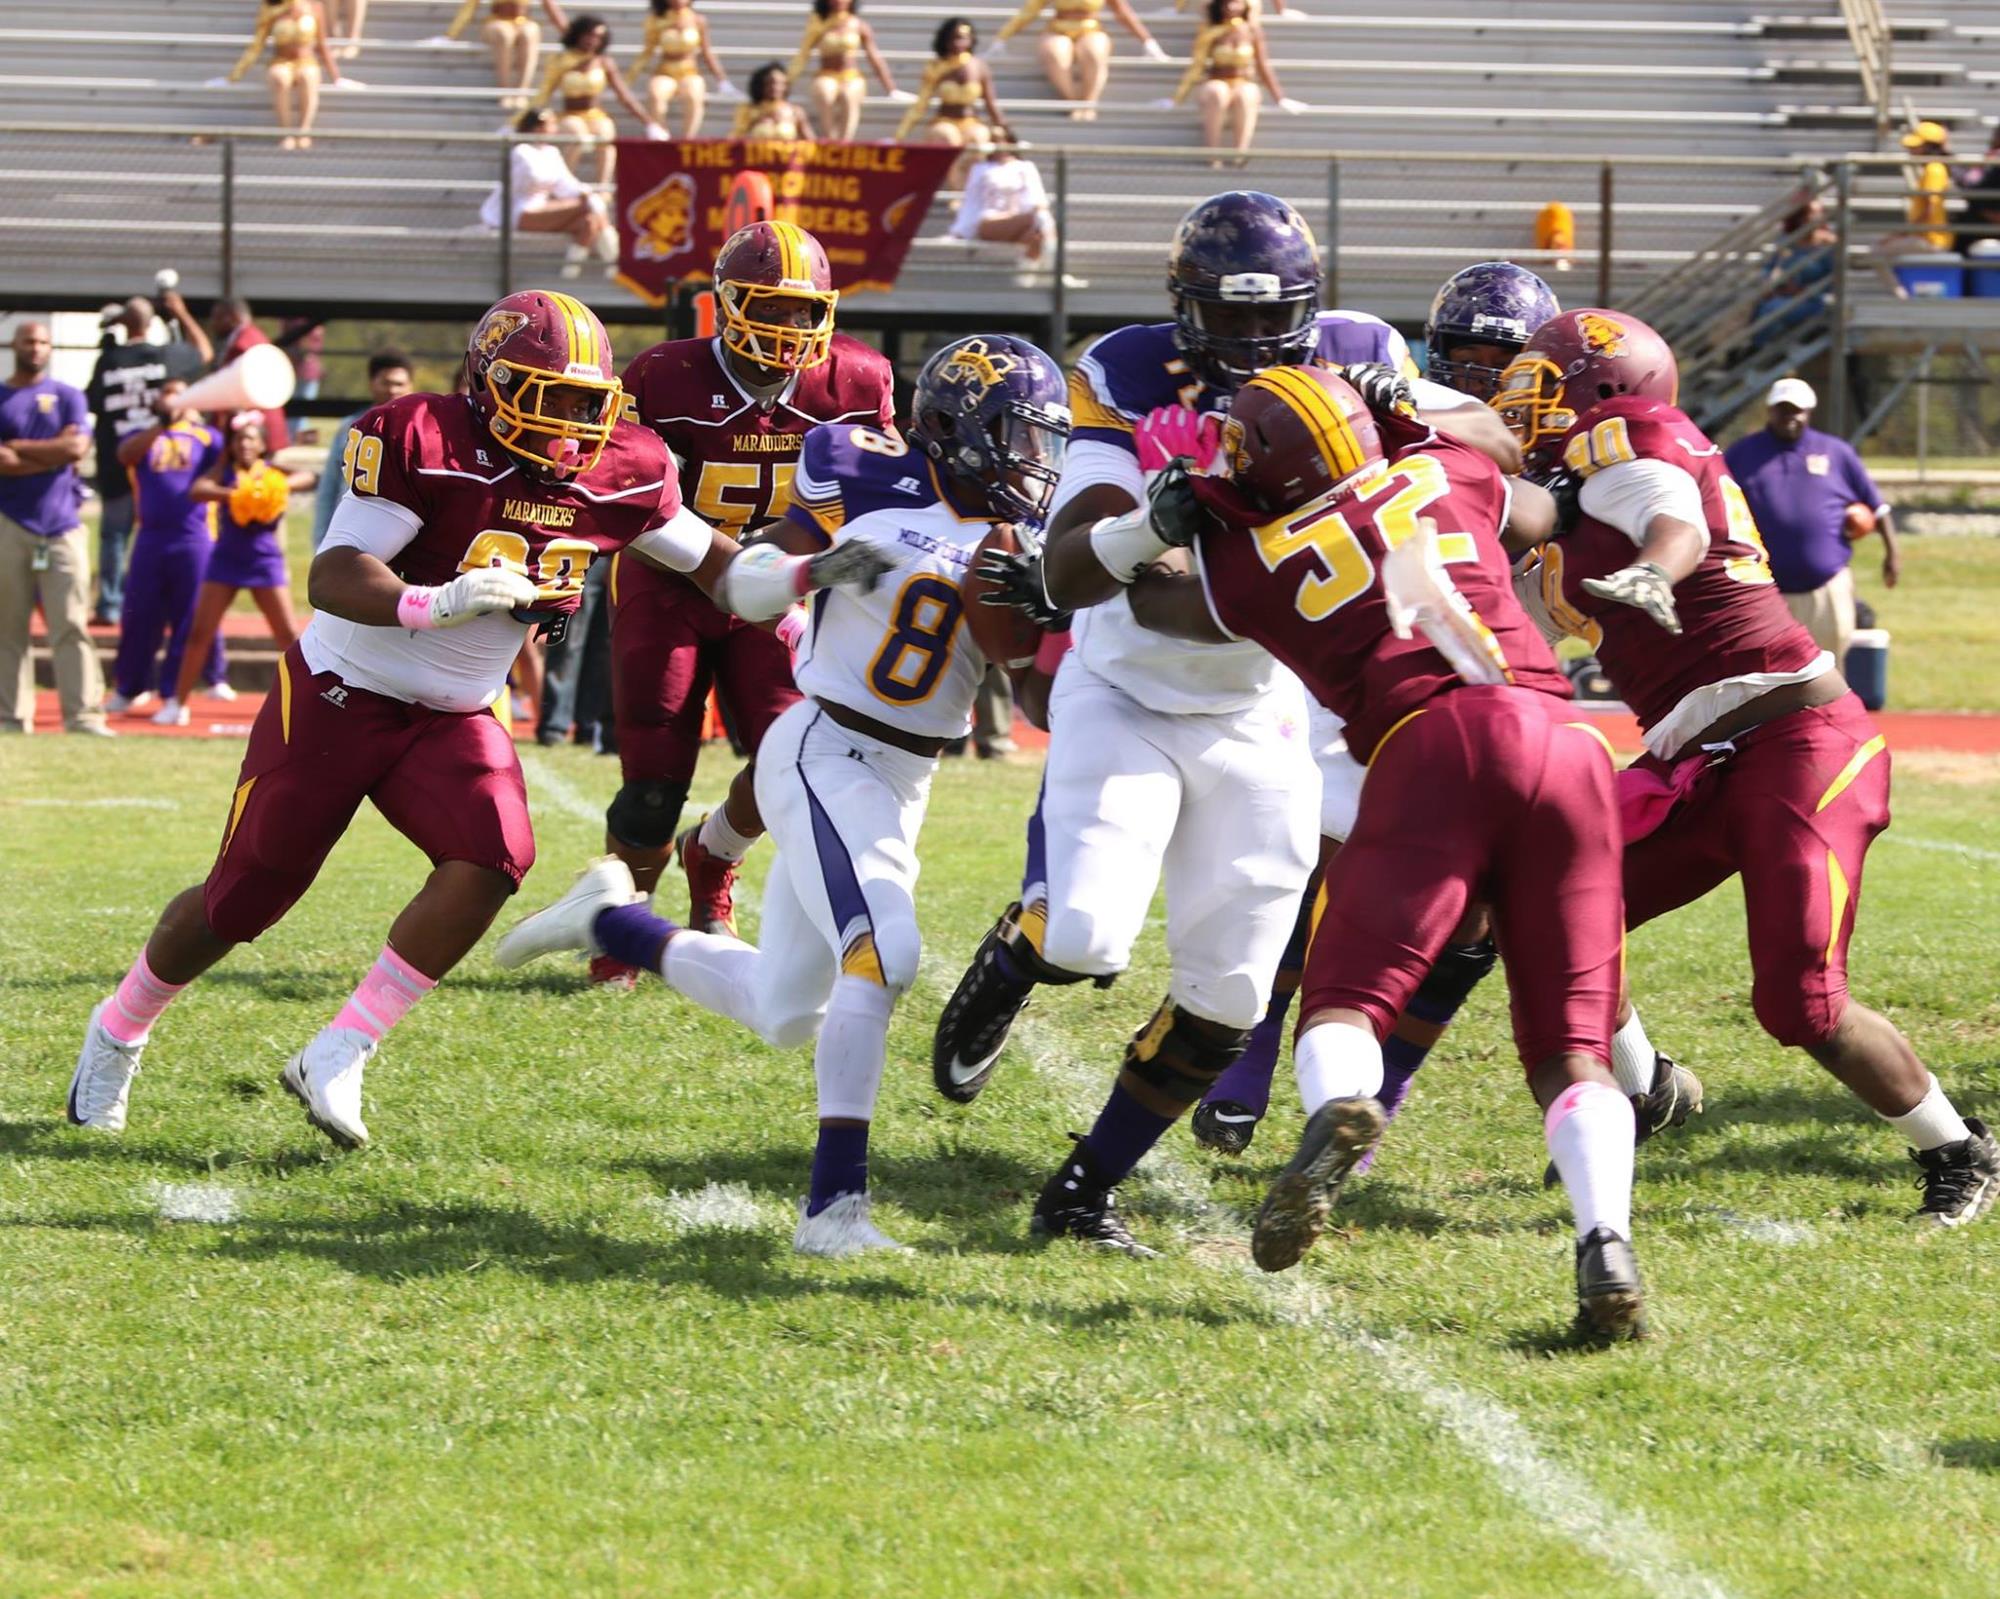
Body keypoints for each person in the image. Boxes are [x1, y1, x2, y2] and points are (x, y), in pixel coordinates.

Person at [66, 289, 896, 1149]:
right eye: (548, 396)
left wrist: (799, 596)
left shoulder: (625, 465)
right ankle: (121, 1025)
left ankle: (341, 1049)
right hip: (344, 689)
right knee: (248, 895)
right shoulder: (421, 437)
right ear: (488, 383)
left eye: (586, 402)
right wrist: (434, 600)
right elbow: (336, 573)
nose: (571, 423)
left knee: (495, 856)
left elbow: (719, 568)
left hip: (457, 711)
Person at [930, 195, 1525, 1211]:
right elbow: (1077, 566)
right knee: (1084, 937)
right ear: (1182, 306)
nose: (1252, 342)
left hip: (1266, 704)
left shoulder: (1357, 349)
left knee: (1233, 993)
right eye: (1229, 318)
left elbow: (1497, 450)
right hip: (1126, 689)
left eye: (1270, 319)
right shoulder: (1121, 368)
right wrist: (1149, 530)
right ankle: (1015, 953)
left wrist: (1409, 402)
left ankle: (1080, 1193)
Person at [496, 334, 1073, 1260]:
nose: (1032, 460)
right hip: (823, 747)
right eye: (1015, 436)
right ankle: (832, 1212)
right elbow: (748, 586)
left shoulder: (1023, 536)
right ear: (959, 431)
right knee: (884, 955)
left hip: (903, 775)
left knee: (784, 1007)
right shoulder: (864, 471)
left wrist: (1036, 599)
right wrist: (816, 571)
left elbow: (1024, 674)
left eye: (1041, 440)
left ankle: (612, 922)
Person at [1113, 368, 1641, 1339]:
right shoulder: (1445, 465)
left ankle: (1342, 1106)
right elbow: (1526, 501)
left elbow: (1157, 607)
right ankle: (1603, 1240)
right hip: (1567, 742)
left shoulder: (1246, 559)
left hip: (1433, 743)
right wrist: (1418, 412)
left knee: (1343, 996)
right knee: (1571, 1046)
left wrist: (1158, 527)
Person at [1498, 308, 1999, 1228]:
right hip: (1694, 759)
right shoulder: (1567, 493)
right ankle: (1646, 1094)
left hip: (1795, 744)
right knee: (1551, 910)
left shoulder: (1634, 443)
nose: (1525, 405)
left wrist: (1655, 568)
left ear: (1604, 390)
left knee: (1800, 1002)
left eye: (1544, 384)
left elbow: (1670, 514)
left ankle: (1959, 1148)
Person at [598, 220, 895, 976]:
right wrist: (732, 567)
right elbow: (627, 496)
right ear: (727, 304)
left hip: (781, 590)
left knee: (787, 757)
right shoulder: (663, 376)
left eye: (804, 312)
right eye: (769, 306)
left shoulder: (857, 381)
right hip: (670, 580)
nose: (789, 328)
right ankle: (627, 925)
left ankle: (713, 859)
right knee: (652, 781)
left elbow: (879, 494)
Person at [154, 415, 317, 726]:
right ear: (231, 444)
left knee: (287, 635)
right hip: (225, 560)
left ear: (263, 444)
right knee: (199, 632)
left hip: (264, 561)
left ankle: (311, 703)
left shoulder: (270, 472)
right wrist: (235, 494)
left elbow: (307, 478)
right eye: (239, 438)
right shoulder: (225, 471)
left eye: (251, 438)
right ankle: (177, 703)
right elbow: (198, 490)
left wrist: (270, 487)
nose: (244, 444)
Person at [1723, 378, 1896, 666]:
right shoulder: (1742, 454)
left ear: (1809, 412)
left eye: (1796, 411)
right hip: (1764, 586)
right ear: (1770, 411)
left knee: (1828, 667)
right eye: (1783, 410)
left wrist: (1893, 554)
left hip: (1825, 585)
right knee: (1766, 670)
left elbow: (1877, 508)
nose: (1790, 417)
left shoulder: (1836, 452)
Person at [0, 322, 110, 737]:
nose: (37, 348)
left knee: (71, 623)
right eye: (29, 340)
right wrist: (53, 454)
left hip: (62, 526)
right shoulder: (1, 395)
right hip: (8, 522)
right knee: (8, 626)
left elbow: (76, 448)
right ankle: (11, 716)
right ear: (15, 344)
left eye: (44, 341)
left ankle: (82, 715)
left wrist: (20, 449)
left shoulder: (68, 396)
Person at [86, 285, 211, 623]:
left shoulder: (108, 360)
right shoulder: (166, 357)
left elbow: (93, 402)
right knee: (152, 534)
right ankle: (148, 604)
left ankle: (110, 606)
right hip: (159, 463)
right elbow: (204, 353)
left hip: (116, 458)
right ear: (151, 322)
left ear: (125, 324)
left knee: (114, 534)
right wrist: (180, 312)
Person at [106, 380, 229, 714]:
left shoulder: (208, 437)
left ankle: (174, 693)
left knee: (187, 617)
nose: (173, 398)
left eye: (180, 392)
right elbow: (125, 456)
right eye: (167, 392)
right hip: (150, 538)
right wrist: (162, 425)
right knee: (139, 614)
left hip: (194, 538)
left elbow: (230, 463)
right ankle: (129, 687)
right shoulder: (144, 435)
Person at [480, 107, 618, 280]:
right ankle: (616, 263)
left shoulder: (551, 153)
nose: (555, 128)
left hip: (540, 207)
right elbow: (535, 177)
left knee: (589, 221)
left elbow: (566, 184)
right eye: (551, 124)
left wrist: (587, 193)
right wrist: (588, 198)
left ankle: (571, 274)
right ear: (538, 128)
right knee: (587, 206)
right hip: (519, 211)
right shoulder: (521, 151)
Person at [530, 14, 661, 186]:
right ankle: (562, 185)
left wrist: (649, 123)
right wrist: (520, 120)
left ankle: (603, 188)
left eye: (598, 37)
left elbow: (624, 96)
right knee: (578, 136)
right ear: (578, 34)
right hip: (570, 115)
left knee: (606, 136)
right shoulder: (562, 60)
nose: (592, 40)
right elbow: (544, 93)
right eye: (588, 35)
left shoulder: (604, 62)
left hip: (595, 114)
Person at [991, 0, 1164, 123]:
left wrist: (1147, 41)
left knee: (1094, 52)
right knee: (1054, 52)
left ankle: (1089, 104)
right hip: (1058, 28)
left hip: (1090, 29)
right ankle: (1074, 102)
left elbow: (1123, 12)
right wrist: (1002, 37)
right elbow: (1029, 11)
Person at [1168, 0, 1299, 160]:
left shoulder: (1252, 31)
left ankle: (1240, 154)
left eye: (1236, 2)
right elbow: (1197, 67)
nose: (1231, 7)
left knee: (1246, 95)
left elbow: (1263, 66)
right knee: (1217, 92)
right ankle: (1212, 153)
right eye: (1226, 3)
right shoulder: (1210, 30)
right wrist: (1176, 99)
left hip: (1242, 81)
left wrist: (1280, 98)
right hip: (1216, 79)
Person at [314, 347, 413, 548]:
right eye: (386, 383)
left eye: (399, 384)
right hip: (351, 533)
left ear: (411, 386)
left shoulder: (421, 432)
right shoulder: (351, 428)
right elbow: (329, 487)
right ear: (371, 384)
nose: (393, 390)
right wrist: (321, 541)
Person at [225, 0, 342, 151]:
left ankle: (304, 131)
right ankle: (285, 133)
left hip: (306, 61)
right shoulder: (271, 8)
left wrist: (336, 77)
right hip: (281, 60)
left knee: (308, 76)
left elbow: (321, 44)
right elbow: (257, 44)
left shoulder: (314, 7)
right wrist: (235, 75)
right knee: (279, 78)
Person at [788, 0, 899, 142]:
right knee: (824, 92)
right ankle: (830, 138)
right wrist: (788, 81)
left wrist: (890, 88)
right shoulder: (819, 23)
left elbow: (874, 57)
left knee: (848, 96)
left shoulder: (858, 24)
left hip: (851, 76)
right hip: (826, 74)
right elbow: (803, 55)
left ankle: (845, 142)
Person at [895, 20, 1010, 155]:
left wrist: (1007, 132)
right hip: (944, 121)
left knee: (977, 139)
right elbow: (921, 105)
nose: (957, 43)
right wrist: (899, 135)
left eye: (962, 38)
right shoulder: (936, 67)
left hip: (971, 122)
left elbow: (991, 104)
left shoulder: (979, 66)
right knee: (947, 138)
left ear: (971, 39)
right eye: (953, 38)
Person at [947, 143, 1055, 266]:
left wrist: (1037, 211)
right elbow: (972, 199)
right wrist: (961, 229)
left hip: (1017, 220)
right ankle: (1056, 271)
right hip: (989, 220)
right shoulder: (981, 168)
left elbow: (1037, 199)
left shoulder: (1025, 168)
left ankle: (1029, 277)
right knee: (1038, 219)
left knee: (1035, 236)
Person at [634, 0, 729, 137]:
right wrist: (630, 77)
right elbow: (647, 51)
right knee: (656, 94)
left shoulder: (698, 20)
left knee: (693, 94)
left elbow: (706, 52)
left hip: (689, 71)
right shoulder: (657, 20)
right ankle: (662, 137)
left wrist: (722, 81)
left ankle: (688, 139)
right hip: (665, 70)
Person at [206, 298, 289, 451]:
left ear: (234, 317)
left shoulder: (242, 345)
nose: (213, 323)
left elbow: (231, 392)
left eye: (217, 318)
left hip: (257, 429)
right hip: (265, 426)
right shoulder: (254, 336)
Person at [446, 0, 564, 106]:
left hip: (523, 21)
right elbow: (470, 6)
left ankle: (521, 92)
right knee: (504, 34)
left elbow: (551, 7)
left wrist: (570, 34)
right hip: (497, 21)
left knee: (530, 33)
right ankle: (504, 90)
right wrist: (451, 34)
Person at [1902, 120, 1955, 251]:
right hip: (1925, 237)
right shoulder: (1932, 168)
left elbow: (1930, 210)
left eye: (1917, 146)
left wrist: (1903, 233)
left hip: (1931, 240)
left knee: (1878, 252)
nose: (1911, 150)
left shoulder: (1934, 169)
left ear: (1929, 147)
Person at [729, 61, 812, 141]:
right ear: (761, 85)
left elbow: (812, 143)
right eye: (771, 83)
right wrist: (756, 121)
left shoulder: (796, 111)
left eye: (781, 83)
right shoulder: (749, 110)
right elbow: (735, 139)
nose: (775, 87)